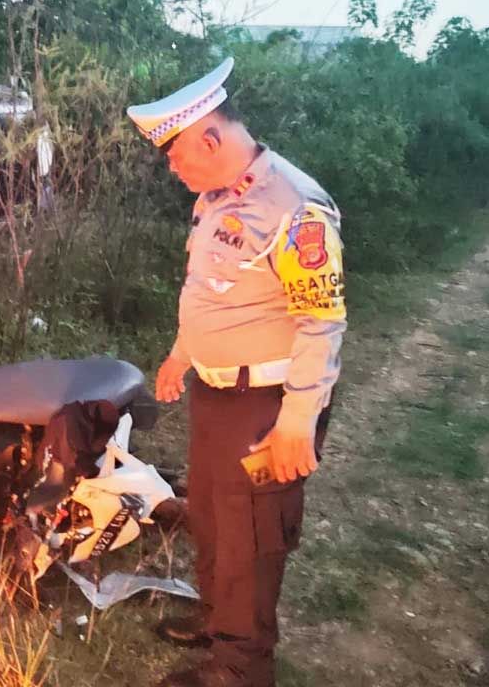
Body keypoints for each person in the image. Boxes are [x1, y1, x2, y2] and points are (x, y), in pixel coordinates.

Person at [125, 58, 346, 687]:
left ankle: (240, 670)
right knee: (213, 518)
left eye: (174, 153)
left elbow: (320, 323)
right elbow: (212, 291)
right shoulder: (214, 198)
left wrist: (299, 421)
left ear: (211, 139)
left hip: (268, 404)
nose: (171, 166)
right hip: (217, 396)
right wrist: (181, 355)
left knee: (251, 539)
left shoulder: (294, 208)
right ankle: (219, 620)